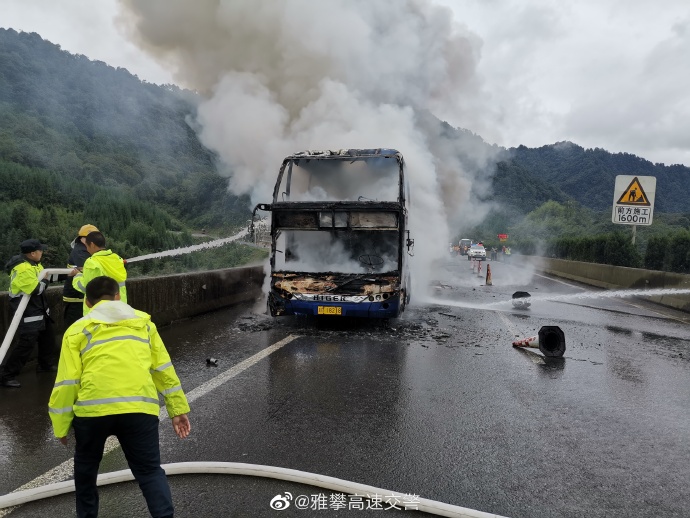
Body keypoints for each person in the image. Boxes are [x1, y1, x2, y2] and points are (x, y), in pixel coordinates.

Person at [49, 276, 191, 518]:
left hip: (92, 414)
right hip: (139, 410)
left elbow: (67, 382)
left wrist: (61, 427)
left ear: (88, 302)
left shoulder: (77, 330)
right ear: (118, 296)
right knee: (149, 472)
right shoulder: (145, 325)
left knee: (86, 472)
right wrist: (177, 410)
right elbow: (163, 370)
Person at [1, 239, 73, 388]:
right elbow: (36, 289)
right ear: (33, 253)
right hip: (28, 311)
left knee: (48, 338)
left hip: (39, 310)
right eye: (40, 250)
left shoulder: (33, 264)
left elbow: (47, 276)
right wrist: (45, 281)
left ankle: (45, 365)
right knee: (26, 344)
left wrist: (68, 274)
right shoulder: (22, 268)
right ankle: (6, 375)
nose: (42, 253)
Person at [73, 231, 127, 315]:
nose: (87, 249)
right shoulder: (117, 259)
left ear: (92, 245)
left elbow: (86, 287)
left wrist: (77, 275)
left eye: (87, 246)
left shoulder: (92, 263)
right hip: (120, 308)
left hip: (100, 312)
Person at [62, 224, 99, 329]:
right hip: (75, 298)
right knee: (76, 329)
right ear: (82, 238)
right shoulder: (80, 251)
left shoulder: (86, 249)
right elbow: (88, 269)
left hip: (82, 296)